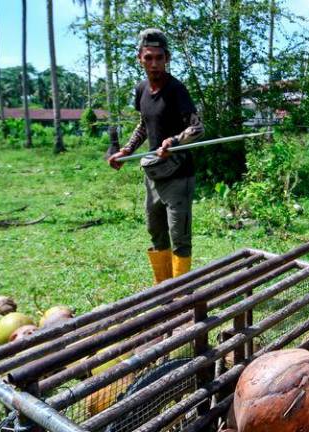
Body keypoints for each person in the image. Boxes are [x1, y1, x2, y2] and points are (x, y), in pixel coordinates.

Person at [107, 29, 204, 284]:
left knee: (179, 236)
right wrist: (126, 150)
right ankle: (162, 289)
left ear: (167, 58)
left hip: (178, 175)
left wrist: (174, 141)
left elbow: (197, 127)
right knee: (155, 232)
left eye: (159, 57)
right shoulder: (141, 90)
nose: (154, 63)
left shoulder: (176, 90)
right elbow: (143, 124)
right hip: (154, 175)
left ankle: (180, 292)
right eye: (148, 57)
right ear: (140, 58)